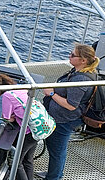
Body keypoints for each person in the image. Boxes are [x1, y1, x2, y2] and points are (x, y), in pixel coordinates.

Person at [41, 43, 99, 180]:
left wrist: (51, 94)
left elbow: (71, 105)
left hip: (65, 120)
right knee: (56, 149)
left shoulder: (81, 80)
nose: (69, 56)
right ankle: (54, 174)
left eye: (73, 55)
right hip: (62, 117)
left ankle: (54, 177)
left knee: (57, 150)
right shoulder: (79, 72)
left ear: (83, 60)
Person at [0, 74, 36, 180]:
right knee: (28, 160)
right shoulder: (18, 89)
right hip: (38, 129)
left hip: (28, 132)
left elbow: (6, 118)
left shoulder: (6, 96)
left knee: (16, 163)